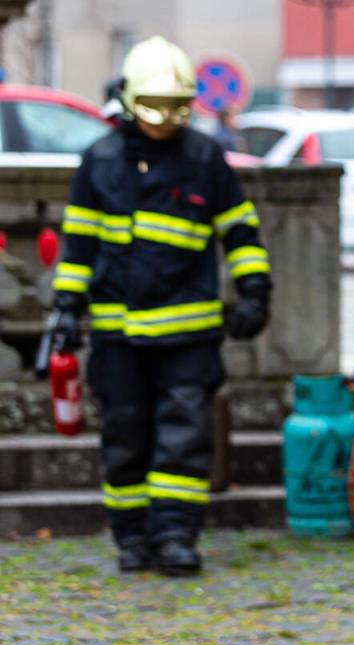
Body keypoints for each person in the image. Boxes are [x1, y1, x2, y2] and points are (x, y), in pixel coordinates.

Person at [49, 36, 272, 575]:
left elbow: (239, 232)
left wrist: (255, 292)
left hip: (188, 334)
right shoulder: (99, 162)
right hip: (118, 335)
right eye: (156, 109)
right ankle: (131, 537)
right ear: (129, 101)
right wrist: (64, 309)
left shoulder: (204, 158)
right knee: (124, 436)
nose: (166, 121)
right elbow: (77, 244)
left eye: (177, 109)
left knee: (184, 438)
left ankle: (175, 536)